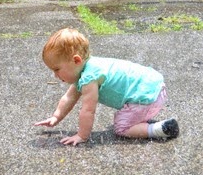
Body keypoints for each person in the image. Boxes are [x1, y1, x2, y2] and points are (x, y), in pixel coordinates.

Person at [34, 28, 179, 146]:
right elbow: (69, 97)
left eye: (57, 69)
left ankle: (161, 129)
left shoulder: (89, 78)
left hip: (147, 98)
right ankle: (142, 120)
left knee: (121, 128)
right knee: (123, 118)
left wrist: (82, 135)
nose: (55, 75)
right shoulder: (89, 67)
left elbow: (88, 110)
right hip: (154, 86)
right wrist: (56, 117)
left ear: (76, 60)